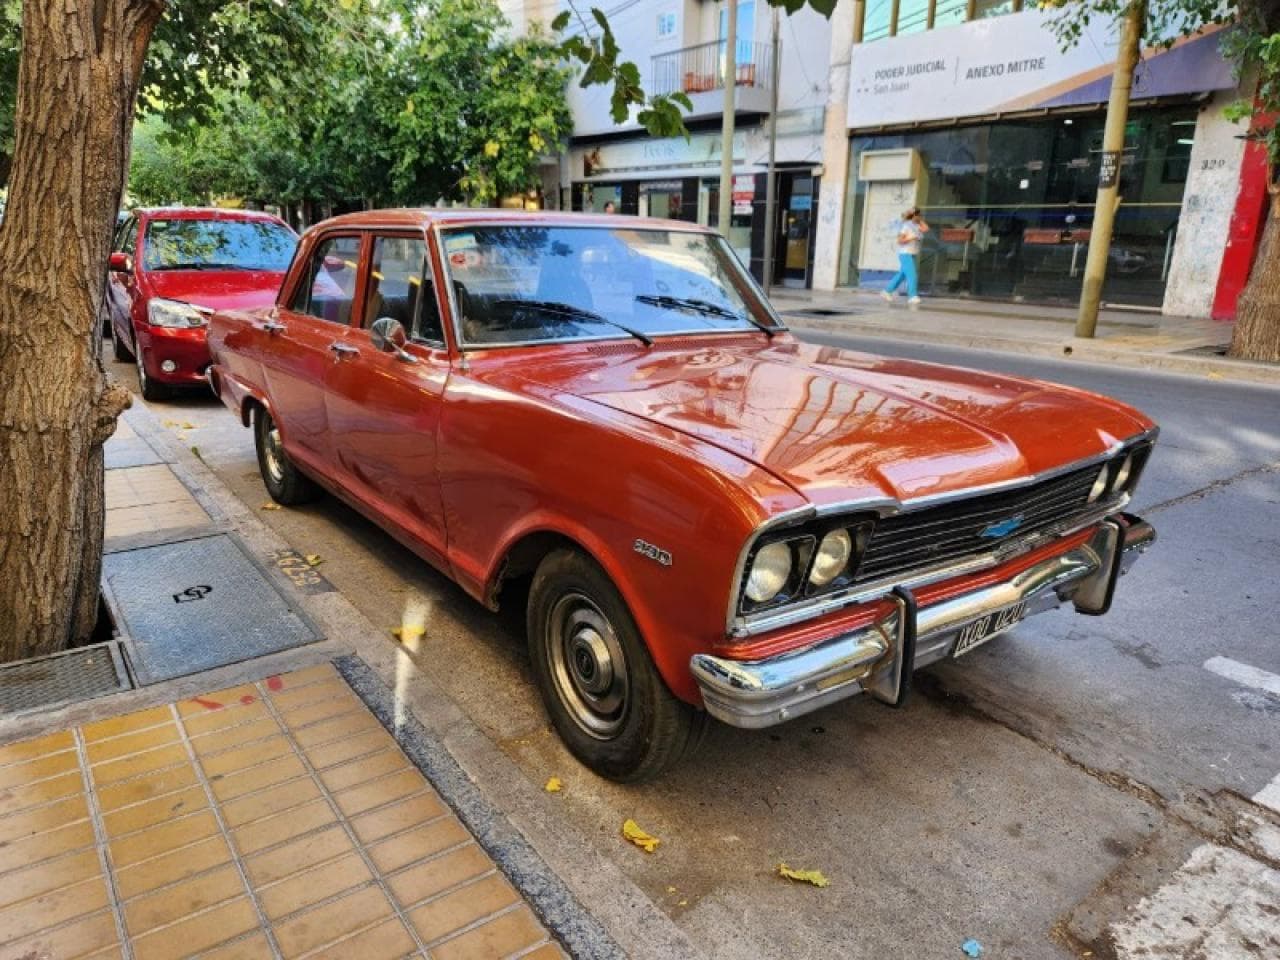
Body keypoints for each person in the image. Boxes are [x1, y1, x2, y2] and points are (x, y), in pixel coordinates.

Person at [882, 207, 929, 306]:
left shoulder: (917, 225)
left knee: (902, 275)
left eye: (921, 215)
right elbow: (900, 241)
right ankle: (912, 296)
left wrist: (920, 221)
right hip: (905, 253)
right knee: (912, 275)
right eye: (919, 215)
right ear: (914, 216)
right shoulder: (906, 226)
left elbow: (926, 229)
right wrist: (911, 238)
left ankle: (887, 291)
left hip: (912, 254)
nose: (920, 217)